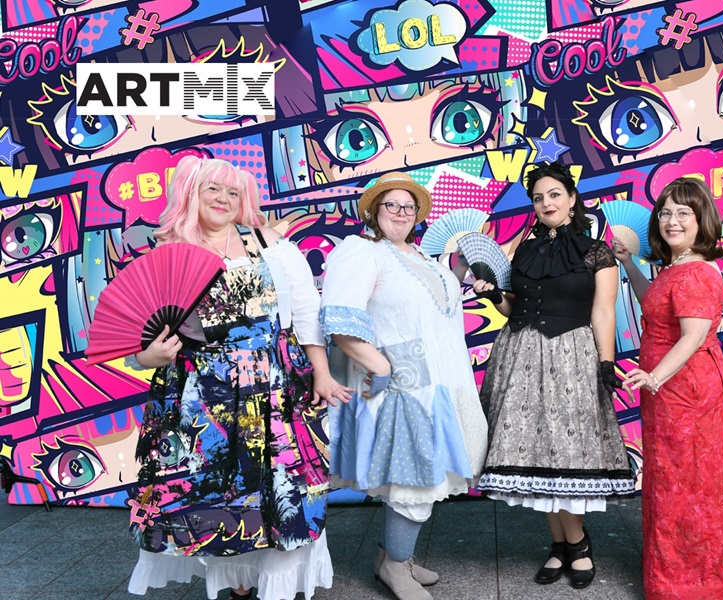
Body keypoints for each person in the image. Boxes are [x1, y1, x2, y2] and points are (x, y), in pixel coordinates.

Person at [124, 156, 352, 600]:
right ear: (190, 193)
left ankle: (275, 586)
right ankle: (240, 585)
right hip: (199, 395)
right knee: (214, 492)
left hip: (270, 385)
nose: (224, 199)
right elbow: (138, 339)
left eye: (233, 193)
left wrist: (321, 374)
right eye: (213, 189)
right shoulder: (166, 251)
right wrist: (148, 356)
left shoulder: (267, 243)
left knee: (280, 489)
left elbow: (305, 312)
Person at [319, 171, 488, 600]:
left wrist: (469, 270)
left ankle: (393, 557)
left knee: (422, 477)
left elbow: (436, 308)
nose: (401, 212)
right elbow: (340, 320)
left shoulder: (421, 257)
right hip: (405, 388)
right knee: (413, 481)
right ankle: (396, 568)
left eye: (409, 206)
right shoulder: (362, 252)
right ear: (374, 211)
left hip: (445, 382)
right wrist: (383, 369)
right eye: (391, 204)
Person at [473, 161, 636, 590]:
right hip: (521, 354)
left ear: (571, 199)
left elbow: (603, 311)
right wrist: (493, 297)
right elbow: (514, 307)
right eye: (539, 197)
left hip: (572, 356)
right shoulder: (523, 249)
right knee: (537, 455)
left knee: (568, 451)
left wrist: (606, 362)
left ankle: (577, 543)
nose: (546, 203)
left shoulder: (596, 251)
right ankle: (560, 544)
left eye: (554, 195)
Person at [612, 176, 723, 599]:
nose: (671, 220)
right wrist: (628, 264)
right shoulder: (676, 267)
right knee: (673, 479)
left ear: (702, 220)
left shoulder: (698, 272)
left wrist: (655, 377)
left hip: (686, 392)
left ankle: (691, 581)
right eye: (665, 212)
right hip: (668, 390)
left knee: (689, 484)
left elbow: (693, 336)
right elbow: (654, 304)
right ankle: (677, 569)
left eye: (683, 212)